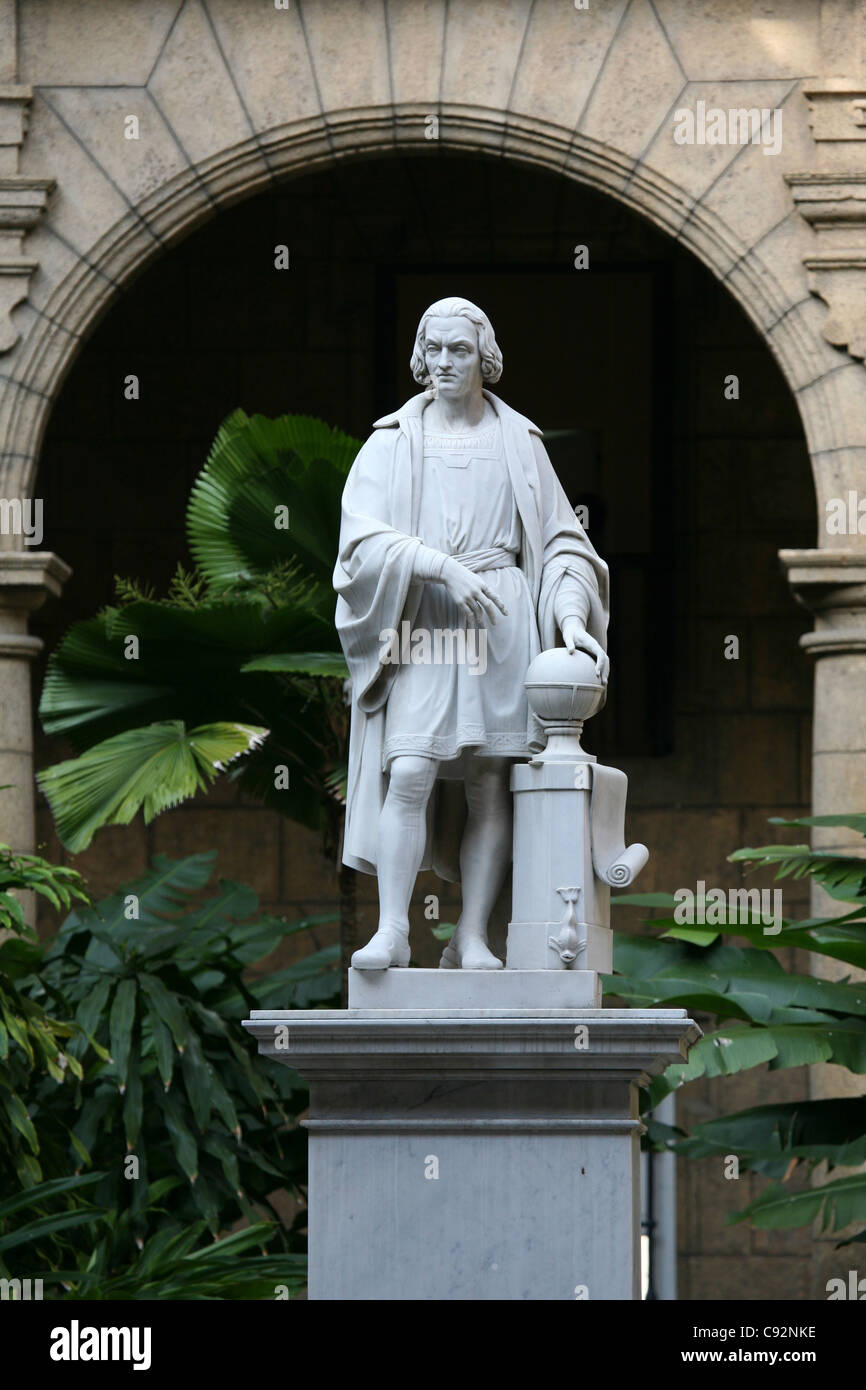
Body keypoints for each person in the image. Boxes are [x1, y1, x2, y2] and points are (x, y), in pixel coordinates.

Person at [333, 297, 609, 969]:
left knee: (490, 780)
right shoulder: (392, 442)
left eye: (459, 350)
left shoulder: (519, 442)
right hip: (425, 619)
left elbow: (561, 545)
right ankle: (393, 930)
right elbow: (360, 547)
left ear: (484, 358)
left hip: (501, 619)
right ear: (420, 358)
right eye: (434, 350)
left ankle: (473, 936)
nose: (445, 363)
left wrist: (571, 619)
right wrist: (437, 567)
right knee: (411, 768)